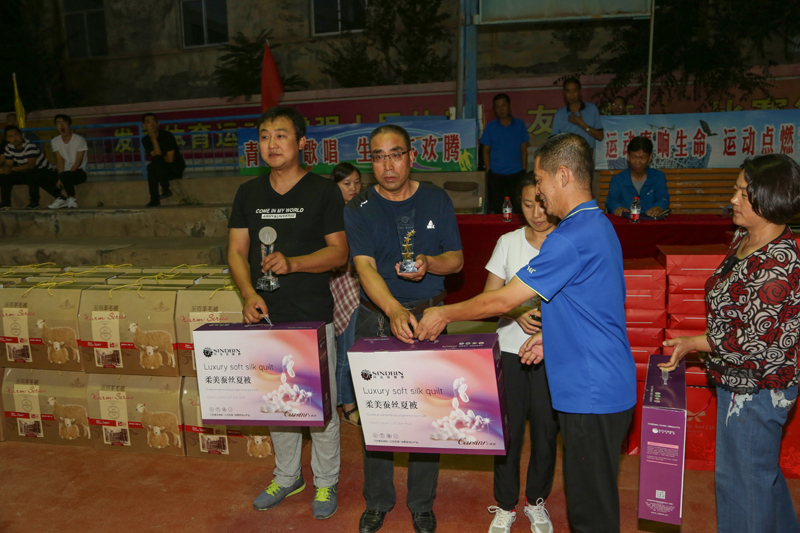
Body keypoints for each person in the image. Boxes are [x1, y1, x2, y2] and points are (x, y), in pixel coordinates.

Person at [416, 133, 636, 533]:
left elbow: (502, 300)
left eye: (540, 179)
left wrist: (444, 312)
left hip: (591, 391)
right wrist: (552, 337)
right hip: (603, 383)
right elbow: (595, 305)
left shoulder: (569, 237)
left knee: (590, 515)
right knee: (594, 503)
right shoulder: (598, 224)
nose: (538, 191)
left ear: (563, 176)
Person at [662, 154, 800, 533]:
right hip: (736, 380)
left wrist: (693, 342)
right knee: (759, 474)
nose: (733, 199)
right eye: (735, 190)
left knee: (743, 486)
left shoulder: (778, 262)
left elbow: (750, 341)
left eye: (743, 193)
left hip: (757, 389)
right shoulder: (746, 238)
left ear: (768, 199)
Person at [227, 105, 347, 520]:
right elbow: (236, 251)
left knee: (319, 407)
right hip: (267, 317)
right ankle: (287, 475)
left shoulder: (323, 192)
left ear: (300, 142)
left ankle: (326, 481)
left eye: (281, 135)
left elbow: (339, 253)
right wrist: (247, 294)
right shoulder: (248, 193)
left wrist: (293, 263)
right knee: (277, 402)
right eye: (264, 136)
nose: (271, 143)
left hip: (311, 315)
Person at [344, 124, 464, 533]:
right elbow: (363, 267)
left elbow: (457, 260)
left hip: (430, 318)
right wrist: (393, 309)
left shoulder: (436, 198)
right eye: (378, 157)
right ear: (371, 163)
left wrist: (430, 263)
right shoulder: (359, 207)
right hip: (376, 318)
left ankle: (422, 503)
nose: (388, 165)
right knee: (376, 414)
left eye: (395, 154)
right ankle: (378, 500)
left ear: (412, 156)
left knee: (429, 412)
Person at [484, 174, 559, 533]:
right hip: (510, 352)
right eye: (528, 205)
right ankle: (505, 505)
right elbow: (489, 297)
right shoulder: (508, 242)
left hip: (552, 355)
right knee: (508, 433)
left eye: (541, 204)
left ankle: (536, 502)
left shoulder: (565, 243)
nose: (536, 213)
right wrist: (515, 311)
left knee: (545, 431)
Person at [329, 162, 362, 426]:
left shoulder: (361, 211)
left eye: (357, 182)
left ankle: (355, 397)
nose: (353, 188)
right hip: (343, 284)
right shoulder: (331, 216)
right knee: (346, 347)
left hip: (364, 283)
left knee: (359, 345)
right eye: (346, 183)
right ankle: (346, 404)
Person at [481, 93, 530, 214]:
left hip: (517, 173)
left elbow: (524, 149)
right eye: (497, 106)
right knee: (498, 208)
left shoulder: (519, 124)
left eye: (503, 105)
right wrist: (488, 169)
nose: (501, 109)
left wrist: (524, 169)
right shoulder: (490, 126)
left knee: (518, 207)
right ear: (494, 109)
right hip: (496, 174)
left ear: (509, 106)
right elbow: (485, 150)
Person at [605, 136, 670, 218]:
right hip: (626, 222)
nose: (638, 162)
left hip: (651, 222)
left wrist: (658, 207)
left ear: (650, 157)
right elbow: (612, 200)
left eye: (643, 157)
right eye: (634, 157)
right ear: (628, 157)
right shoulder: (618, 179)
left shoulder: (658, 176)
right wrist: (617, 208)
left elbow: (663, 198)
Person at [1, 125, 59, 210]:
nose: (14, 138)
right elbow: (9, 164)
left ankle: (34, 203)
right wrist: (5, 169)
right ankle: (5, 204)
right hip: (28, 172)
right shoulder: (9, 147)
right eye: (10, 136)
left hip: (45, 172)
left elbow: (31, 165)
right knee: (5, 176)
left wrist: (11, 169)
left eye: (16, 135)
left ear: (21, 135)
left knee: (31, 173)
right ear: (7, 139)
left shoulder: (29, 146)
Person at [141, 113, 185, 207]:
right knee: (151, 167)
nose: (152, 124)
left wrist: (153, 138)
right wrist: (153, 138)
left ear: (158, 124)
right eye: (148, 122)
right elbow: (156, 156)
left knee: (156, 161)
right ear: (144, 126)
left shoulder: (167, 135)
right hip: (160, 170)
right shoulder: (145, 140)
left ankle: (165, 189)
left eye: (154, 121)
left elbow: (170, 159)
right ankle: (156, 198)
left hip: (174, 169)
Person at [47, 114, 88, 209]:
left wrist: (62, 177)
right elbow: (60, 160)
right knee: (44, 177)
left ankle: (71, 198)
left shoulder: (79, 140)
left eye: (64, 123)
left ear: (70, 126)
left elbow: (78, 162)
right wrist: (60, 176)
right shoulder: (55, 141)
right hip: (64, 172)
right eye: (58, 123)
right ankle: (61, 198)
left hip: (78, 172)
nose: (61, 125)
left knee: (65, 175)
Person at [551, 78, 603, 149]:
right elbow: (554, 141)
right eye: (568, 91)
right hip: (567, 153)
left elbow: (600, 137)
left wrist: (581, 124)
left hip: (587, 152)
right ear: (564, 93)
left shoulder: (592, 108)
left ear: (580, 91)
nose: (571, 95)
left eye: (574, 91)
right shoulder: (560, 114)